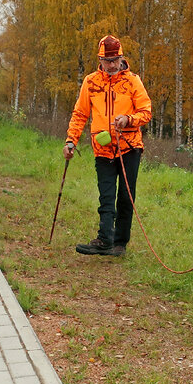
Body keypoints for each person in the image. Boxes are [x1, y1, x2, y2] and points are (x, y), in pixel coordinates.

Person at [64, 35, 153, 256]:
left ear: (122, 58)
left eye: (115, 60)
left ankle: (120, 244)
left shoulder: (133, 81)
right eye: (106, 60)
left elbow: (146, 112)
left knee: (125, 195)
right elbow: (80, 113)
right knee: (106, 194)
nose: (111, 65)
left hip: (129, 148)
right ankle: (104, 239)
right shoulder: (91, 81)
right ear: (100, 59)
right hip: (102, 148)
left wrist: (128, 120)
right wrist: (70, 141)